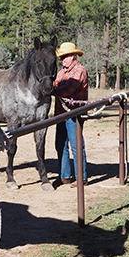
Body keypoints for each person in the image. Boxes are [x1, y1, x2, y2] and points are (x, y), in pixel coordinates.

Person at [53, 42, 89, 188]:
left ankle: (82, 177)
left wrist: (53, 88)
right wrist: (54, 87)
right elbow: (56, 85)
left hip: (75, 114)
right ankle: (65, 176)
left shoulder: (80, 71)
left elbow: (66, 90)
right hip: (62, 114)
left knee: (77, 146)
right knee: (60, 145)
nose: (62, 60)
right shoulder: (62, 72)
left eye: (65, 57)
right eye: (61, 58)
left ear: (73, 56)